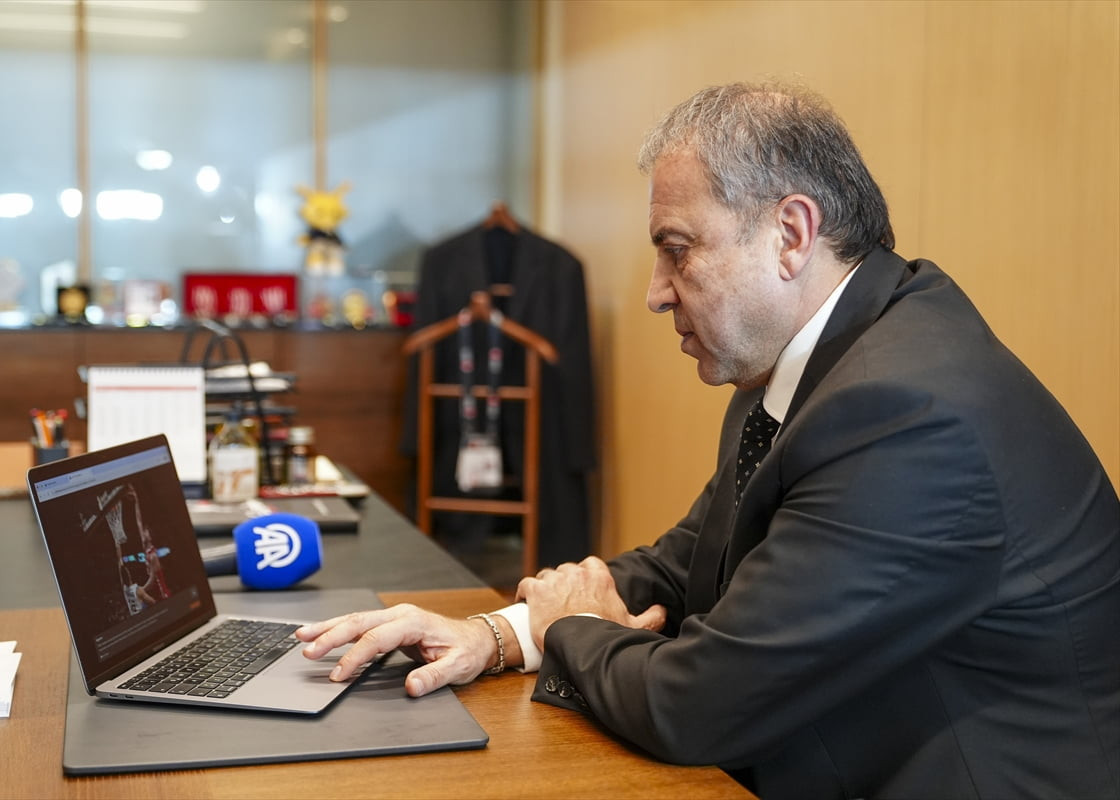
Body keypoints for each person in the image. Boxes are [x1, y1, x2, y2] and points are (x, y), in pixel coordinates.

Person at [296, 83, 1120, 800]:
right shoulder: (816, 365)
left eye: (677, 252)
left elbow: (701, 705)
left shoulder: (905, 413)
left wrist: (568, 629)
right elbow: (687, 567)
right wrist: (497, 633)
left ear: (792, 234)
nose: (656, 295)